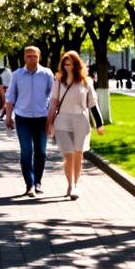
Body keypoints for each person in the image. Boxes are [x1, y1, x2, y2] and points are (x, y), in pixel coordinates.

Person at [47, 50, 105, 200]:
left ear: (77, 65)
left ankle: (76, 184)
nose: (69, 67)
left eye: (72, 64)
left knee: (78, 154)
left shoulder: (86, 82)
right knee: (68, 154)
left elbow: (92, 104)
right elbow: (53, 103)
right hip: (62, 121)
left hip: (81, 120)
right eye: (66, 64)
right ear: (62, 66)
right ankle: (70, 184)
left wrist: (100, 123)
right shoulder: (58, 82)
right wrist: (49, 121)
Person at [5, 46, 53, 197]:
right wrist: (8, 116)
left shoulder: (46, 74)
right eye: (29, 56)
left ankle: (38, 182)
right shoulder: (17, 75)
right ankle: (29, 184)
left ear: (39, 57)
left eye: (35, 56)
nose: (32, 59)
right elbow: (11, 96)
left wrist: (51, 119)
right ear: (24, 58)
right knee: (26, 151)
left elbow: (53, 97)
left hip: (41, 118)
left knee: (41, 152)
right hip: (23, 118)